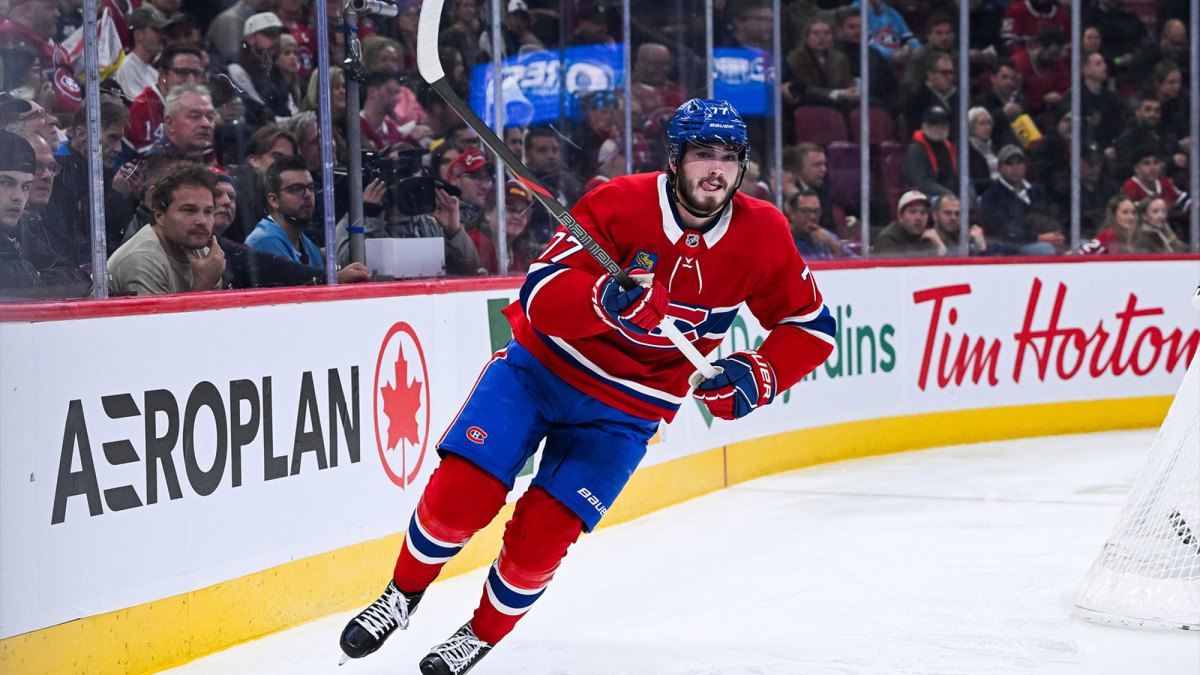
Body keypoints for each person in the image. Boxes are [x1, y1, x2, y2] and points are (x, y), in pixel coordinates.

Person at [338, 98, 836, 675]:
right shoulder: (619, 203)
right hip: (541, 372)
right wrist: (604, 301)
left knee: (541, 541)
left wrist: (757, 375)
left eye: (729, 157)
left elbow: (811, 328)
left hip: (627, 410)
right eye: (703, 154)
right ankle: (401, 595)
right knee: (461, 494)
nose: (716, 170)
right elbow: (538, 295)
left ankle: (478, 635)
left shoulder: (763, 233)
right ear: (676, 160)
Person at [107, 163, 225, 295]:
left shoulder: (206, 256)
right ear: (159, 216)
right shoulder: (142, 260)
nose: (202, 221)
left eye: (208, 212)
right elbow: (160, 316)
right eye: (189, 210)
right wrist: (205, 283)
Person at [0, 130, 89, 298]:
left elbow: (75, 277)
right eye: (5, 183)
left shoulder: (22, 226)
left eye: (25, 186)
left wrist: (34, 279)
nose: (18, 197)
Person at [978, 144, 1064, 255]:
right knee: (1045, 249)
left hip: (1049, 240)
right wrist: (1039, 238)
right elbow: (1002, 231)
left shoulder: (1038, 190)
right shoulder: (991, 196)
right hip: (1012, 247)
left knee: (1082, 245)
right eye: (1009, 163)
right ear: (999, 168)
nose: (1015, 167)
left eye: (1019, 162)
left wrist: (1058, 235)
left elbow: (1054, 216)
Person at [245, 155, 323, 269]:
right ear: (274, 200)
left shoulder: (310, 247)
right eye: (297, 189)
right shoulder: (265, 242)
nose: (308, 194)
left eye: (311, 187)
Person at [111, 8, 172, 101]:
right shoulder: (128, 67)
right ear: (138, 35)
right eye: (156, 30)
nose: (161, 36)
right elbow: (139, 107)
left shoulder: (153, 71)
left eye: (162, 31)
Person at [901, 105, 958, 199]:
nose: (939, 127)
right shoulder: (915, 150)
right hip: (925, 198)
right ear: (923, 126)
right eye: (934, 123)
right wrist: (949, 195)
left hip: (949, 195)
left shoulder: (949, 147)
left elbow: (956, 177)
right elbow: (920, 183)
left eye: (943, 123)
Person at [786, 188, 852, 259]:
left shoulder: (828, 237)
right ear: (792, 213)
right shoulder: (784, 241)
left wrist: (834, 244)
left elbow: (856, 264)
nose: (812, 216)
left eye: (816, 211)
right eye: (805, 211)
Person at [872, 189, 940, 257]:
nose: (919, 218)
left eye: (923, 212)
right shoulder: (887, 239)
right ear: (900, 216)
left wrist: (938, 244)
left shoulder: (929, 237)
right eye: (912, 212)